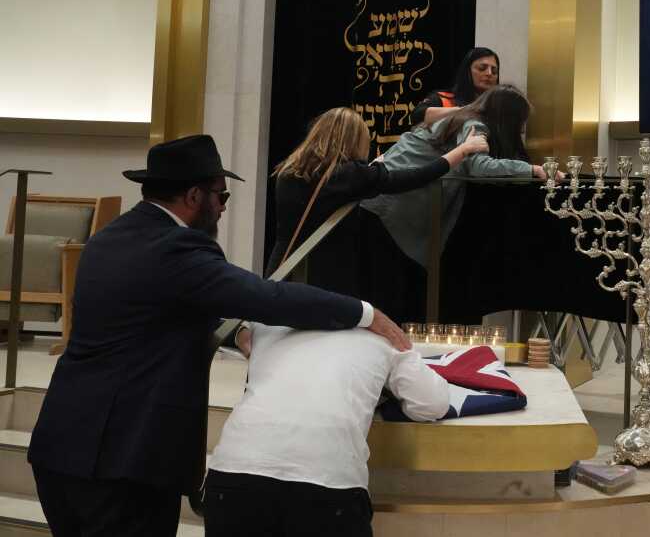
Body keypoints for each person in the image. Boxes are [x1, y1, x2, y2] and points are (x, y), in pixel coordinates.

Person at [27, 134, 411, 537]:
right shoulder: (178, 247)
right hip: (122, 463)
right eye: (221, 196)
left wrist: (236, 332)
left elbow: (153, 309)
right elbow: (266, 296)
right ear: (194, 196)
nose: (224, 207)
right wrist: (365, 313)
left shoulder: (110, 237)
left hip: (60, 447)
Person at [203, 321, 448, 537]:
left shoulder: (268, 322)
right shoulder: (383, 334)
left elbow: (229, 322)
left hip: (234, 473)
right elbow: (432, 404)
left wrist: (243, 329)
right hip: (327, 483)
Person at [362, 85, 548, 321]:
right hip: (391, 208)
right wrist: (532, 170)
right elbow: (480, 166)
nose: (521, 129)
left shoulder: (458, 119)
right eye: (520, 121)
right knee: (387, 301)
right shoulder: (475, 126)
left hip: (378, 203)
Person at [264, 106, 488, 297]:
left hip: (283, 267)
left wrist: (369, 171)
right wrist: (462, 150)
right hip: (324, 277)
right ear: (353, 140)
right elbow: (417, 177)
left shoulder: (289, 170)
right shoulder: (350, 175)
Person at [408, 46, 500, 125]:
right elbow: (417, 116)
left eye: (494, 71)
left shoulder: (499, 107)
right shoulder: (444, 99)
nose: (489, 73)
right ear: (467, 72)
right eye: (482, 68)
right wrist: (466, 110)